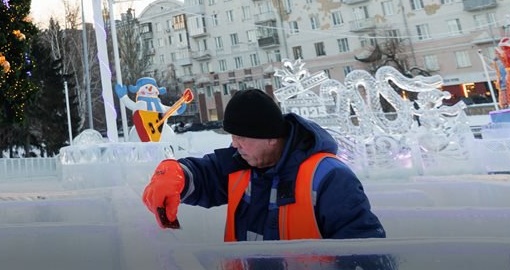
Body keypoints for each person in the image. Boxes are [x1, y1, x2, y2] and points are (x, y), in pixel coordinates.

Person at [142, 88, 385, 241]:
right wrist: (176, 174)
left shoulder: (329, 177)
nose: (234, 144)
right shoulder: (241, 162)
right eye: (232, 136)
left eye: (241, 137)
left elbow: (364, 249)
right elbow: (205, 174)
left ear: (270, 137)